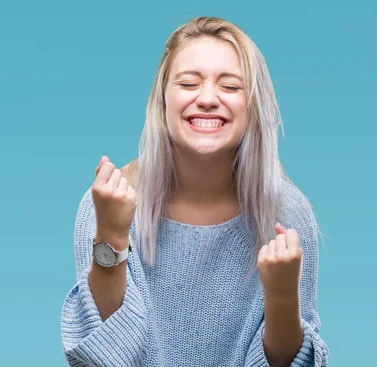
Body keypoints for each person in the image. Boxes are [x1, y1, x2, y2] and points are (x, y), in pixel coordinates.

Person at [60, 16, 329, 367]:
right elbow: (102, 358)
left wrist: (280, 298)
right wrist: (111, 235)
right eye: (188, 83)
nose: (207, 99)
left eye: (230, 87)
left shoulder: (287, 215)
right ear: (163, 100)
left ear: (253, 106)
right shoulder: (109, 201)